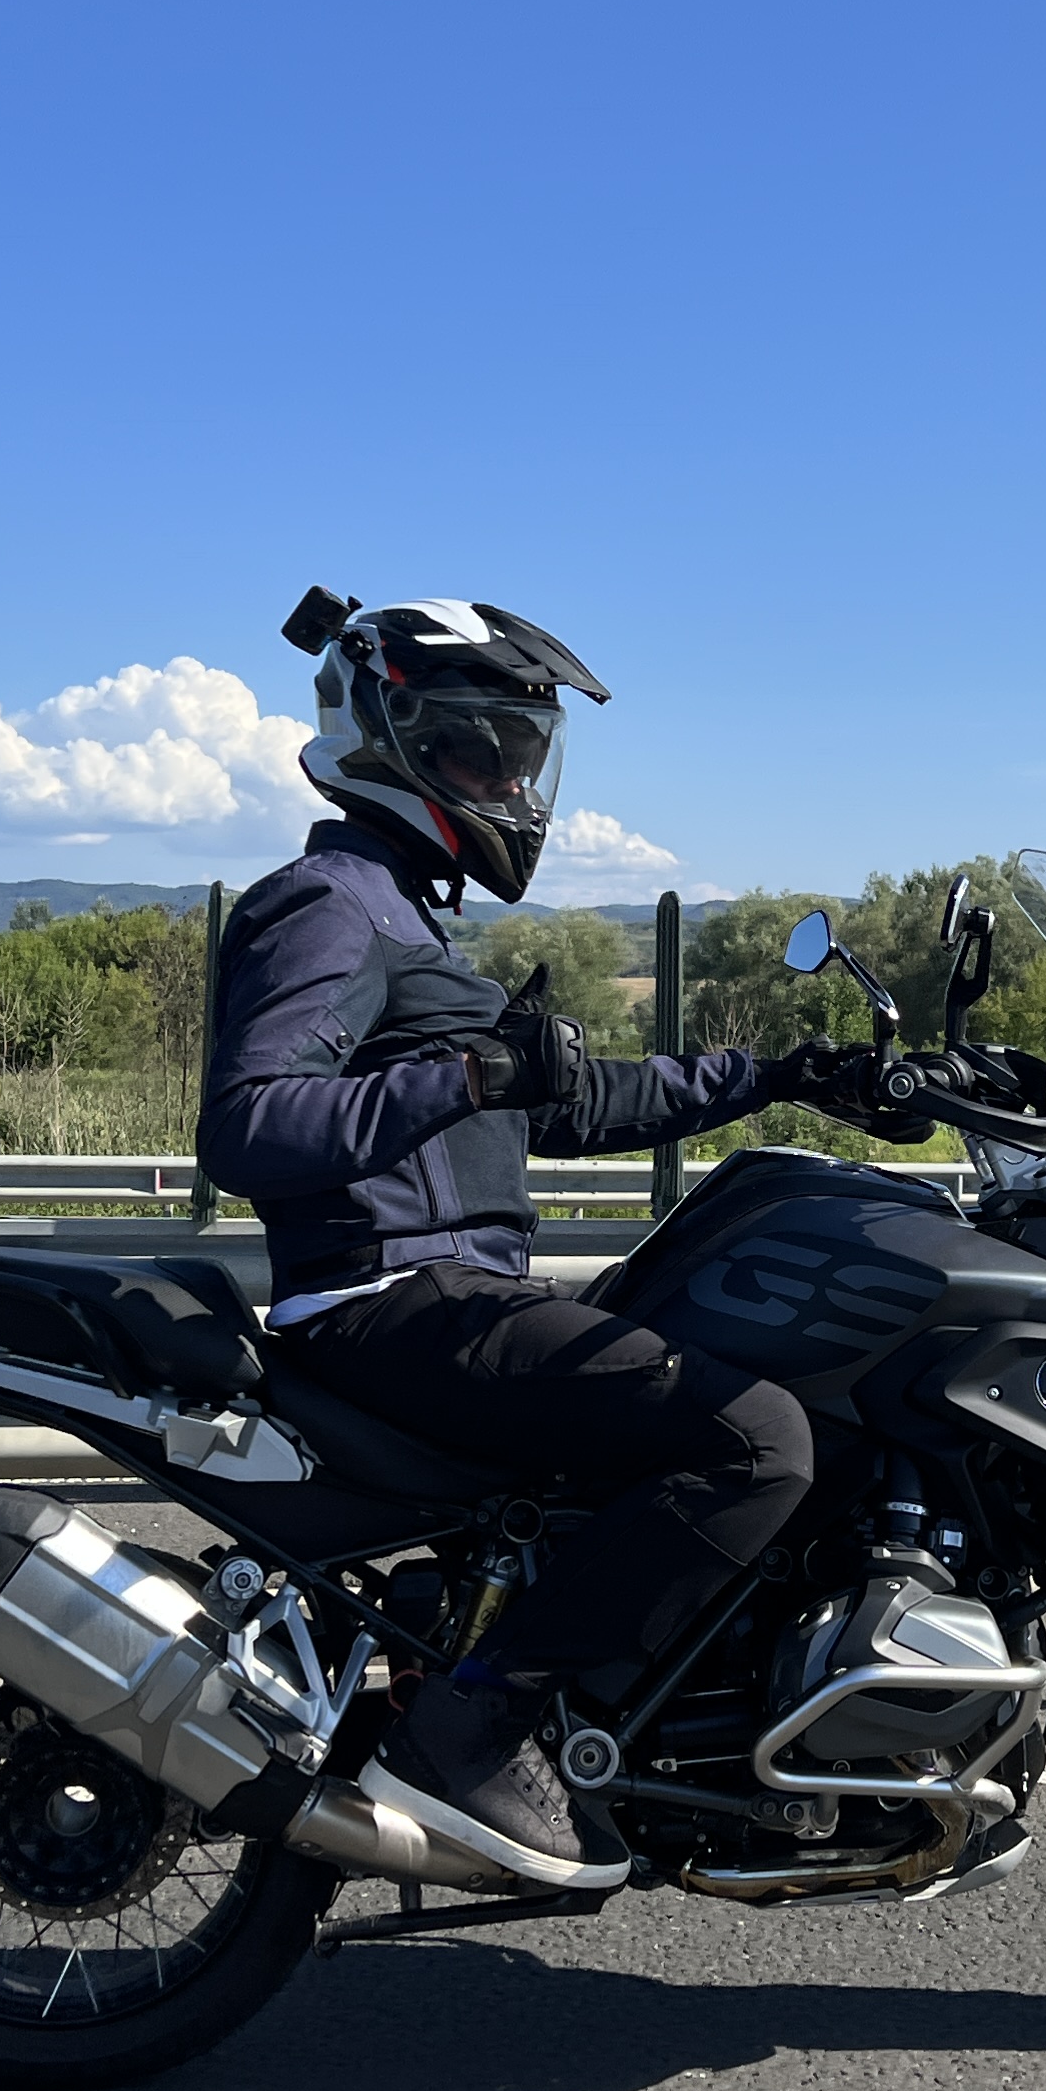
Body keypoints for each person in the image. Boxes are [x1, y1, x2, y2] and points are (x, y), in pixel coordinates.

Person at [197, 585, 857, 1893]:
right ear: (396, 736)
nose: (514, 782)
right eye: (482, 748)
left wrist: (778, 1074)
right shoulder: (331, 901)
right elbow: (250, 1124)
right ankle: (483, 1720)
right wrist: (471, 1079)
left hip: (448, 1300)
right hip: (385, 1309)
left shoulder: (403, 912)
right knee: (759, 1436)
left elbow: (576, 1095)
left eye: (524, 754)